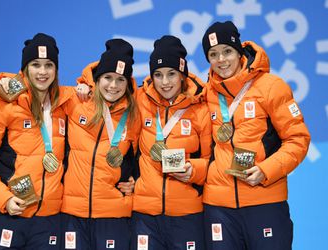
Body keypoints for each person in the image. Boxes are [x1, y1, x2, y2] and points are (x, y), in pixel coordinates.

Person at [201, 21, 311, 250]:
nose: (221, 60)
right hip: (218, 207)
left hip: (264, 201)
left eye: (227, 51)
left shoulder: (271, 87)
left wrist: (266, 170)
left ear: (240, 51)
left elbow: (298, 139)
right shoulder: (206, 93)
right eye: (213, 54)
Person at [0, 33, 73, 249]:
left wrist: (85, 85)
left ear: (56, 69)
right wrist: (4, 199)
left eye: (49, 65)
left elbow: (105, 87)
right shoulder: (1, 105)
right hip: (6, 217)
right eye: (35, 64)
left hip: (49, 223)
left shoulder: (66, 104)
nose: (42, 72)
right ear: (24, 68)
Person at [130, 35, 212, 250]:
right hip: (145, 214)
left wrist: (193, 170)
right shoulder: (140, 100)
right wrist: (86, 84)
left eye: (171, 74)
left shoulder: (201, 107)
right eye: (157, 75)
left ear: (182, 74)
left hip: (187, 214)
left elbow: (211, 161)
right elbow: (108, 83)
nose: (164, 82)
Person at [61, 38, 140, 250]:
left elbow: (142, 158)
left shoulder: (136, 114)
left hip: (114, 215)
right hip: (73, 214)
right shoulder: (75, 101)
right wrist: (6, 80)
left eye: (120, 80)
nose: (113, 86)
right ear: (97, 78)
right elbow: (38, 84)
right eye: (107, 77)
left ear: (128, 83)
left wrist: (135, 181)